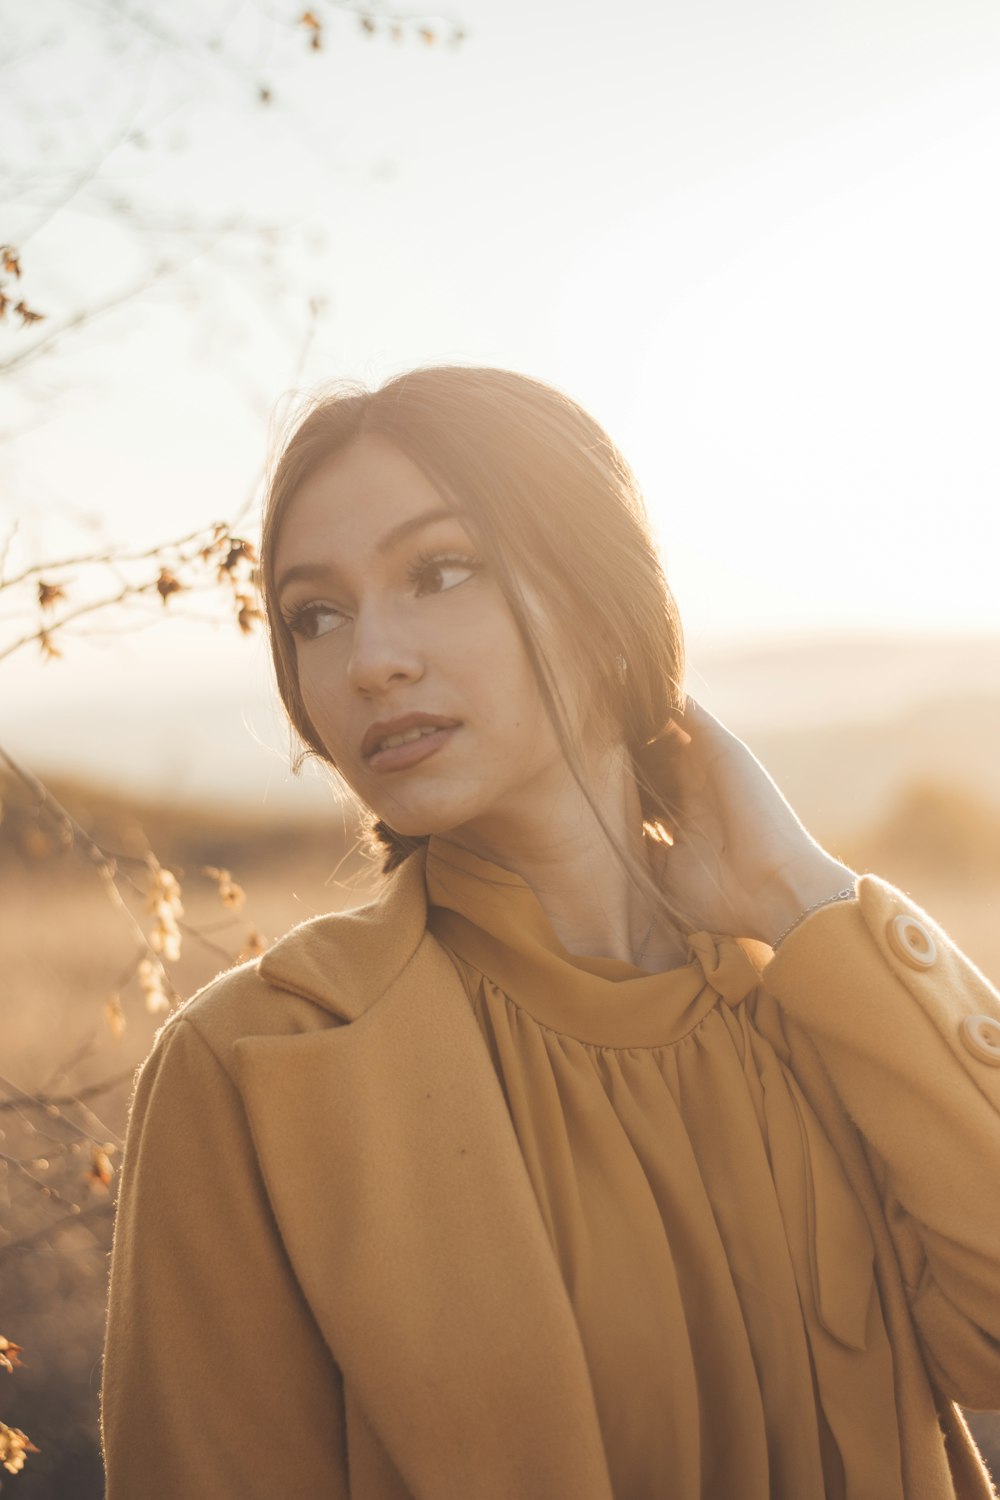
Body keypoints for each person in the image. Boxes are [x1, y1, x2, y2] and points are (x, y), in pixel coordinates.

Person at [100, 366, 1000, 1499]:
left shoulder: (811, 997)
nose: (368, 659)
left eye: (438, 572)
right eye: (314, 614)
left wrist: (799, 892)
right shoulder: (255, 1071)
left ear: (600, 598)